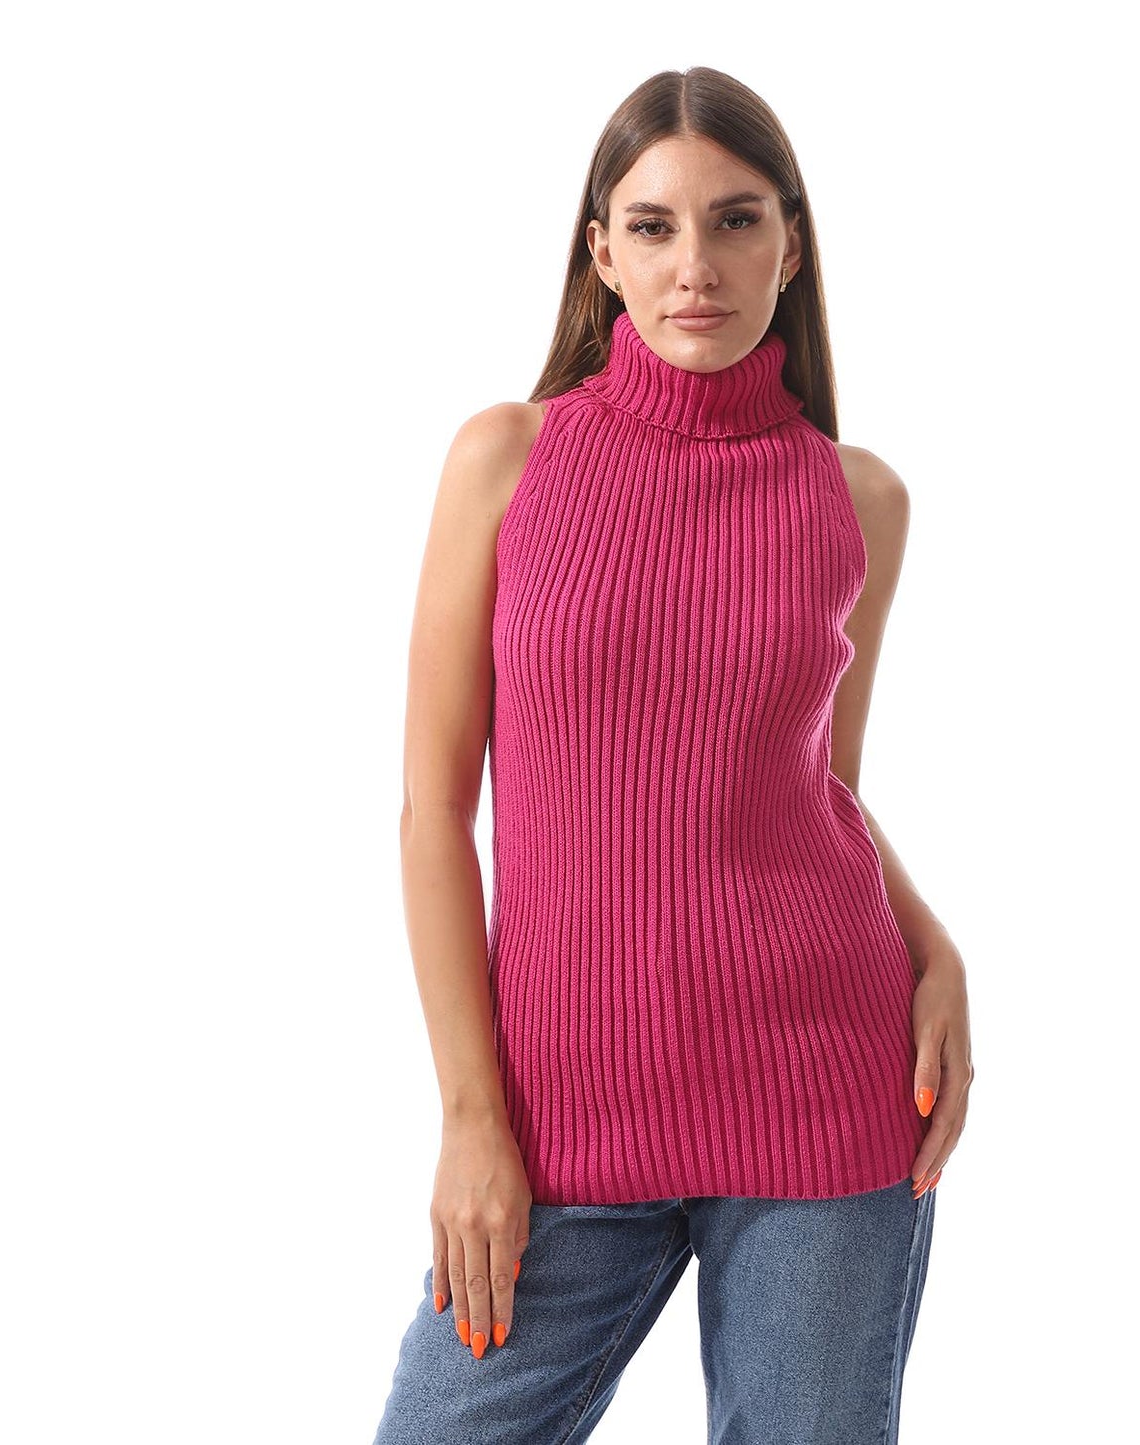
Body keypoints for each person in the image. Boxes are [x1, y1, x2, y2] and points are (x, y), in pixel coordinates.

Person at [371, 65, 974, 1445]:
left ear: (790, 244)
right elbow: (429, 810)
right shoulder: (506, 460)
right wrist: (469, 1117)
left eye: (735, 220)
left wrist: (932, 944)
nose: (694, 265)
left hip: (825, 1091)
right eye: (652, 226)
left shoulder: (858, 498)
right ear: (601, 253)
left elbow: (817, 785)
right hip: (556, 1116)